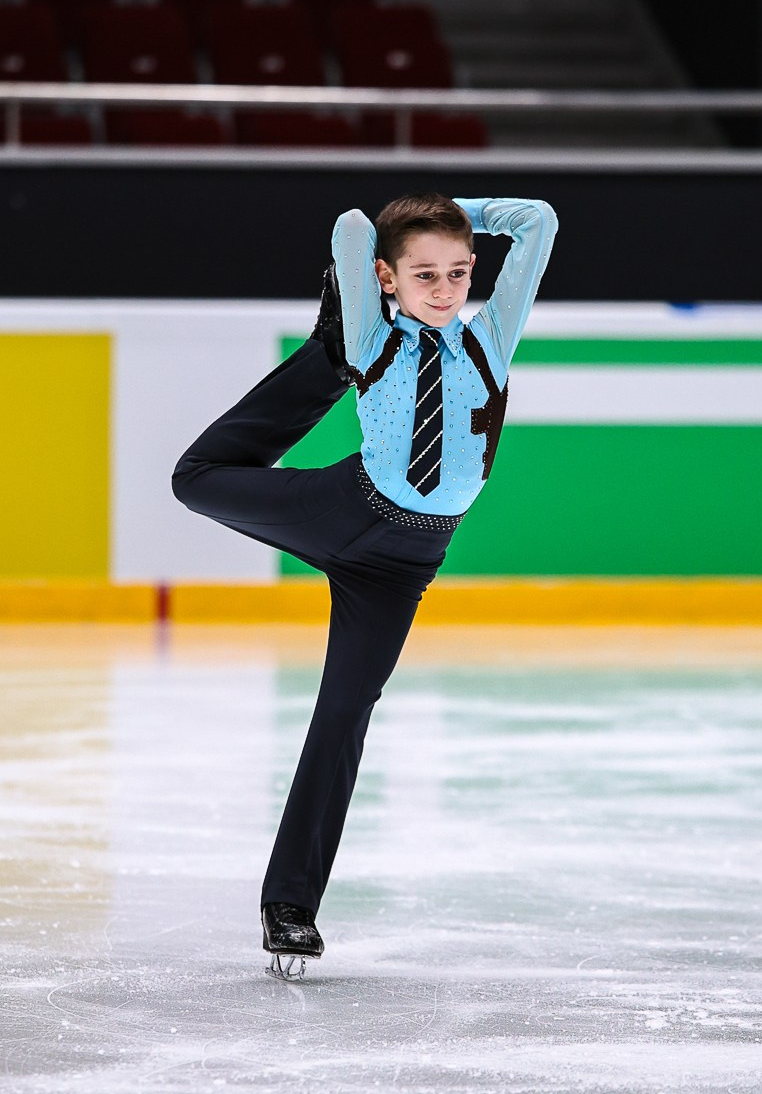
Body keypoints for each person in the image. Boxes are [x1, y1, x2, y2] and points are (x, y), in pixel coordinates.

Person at [171, 191, 558, 978]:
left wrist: (460, 212)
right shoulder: (378, 339)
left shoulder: (492, 339)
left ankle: (289, 908)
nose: (444, 289)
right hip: (340, 510)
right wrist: (360, 304)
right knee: (196, 479)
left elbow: (539, 221)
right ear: (387, 277)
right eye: (424, 274)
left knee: (343, 714)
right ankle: (325, 352)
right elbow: (350, 225)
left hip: (403, 565)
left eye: (457, 272)